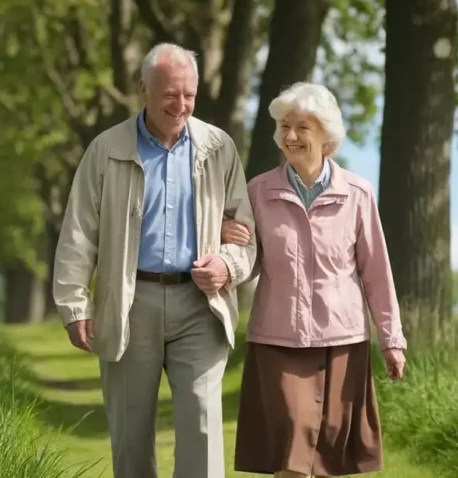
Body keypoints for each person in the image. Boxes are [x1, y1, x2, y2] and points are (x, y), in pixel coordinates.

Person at [52, 42, 257, 478]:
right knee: (130, 437)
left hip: (200, 307)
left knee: (202, 430)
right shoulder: (105, 150)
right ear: (143, 89)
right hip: (129, 304)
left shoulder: (219, 147)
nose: (180, 105)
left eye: (189, 95)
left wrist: (228, 266)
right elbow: (78, 233)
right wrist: (73, 305)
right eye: (169, 95)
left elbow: (247, 236)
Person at [223, 82, 407, 478]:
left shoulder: (357, 193)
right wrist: (225, 237)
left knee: (330, 454)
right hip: (278, 339)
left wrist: (392, 340)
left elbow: (377, 272)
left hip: (342, 340)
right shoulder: (258, 191)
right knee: (291, 445)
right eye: (285, 127)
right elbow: (247, 262)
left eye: (302, 128)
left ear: (327, 136)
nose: (290, 136)